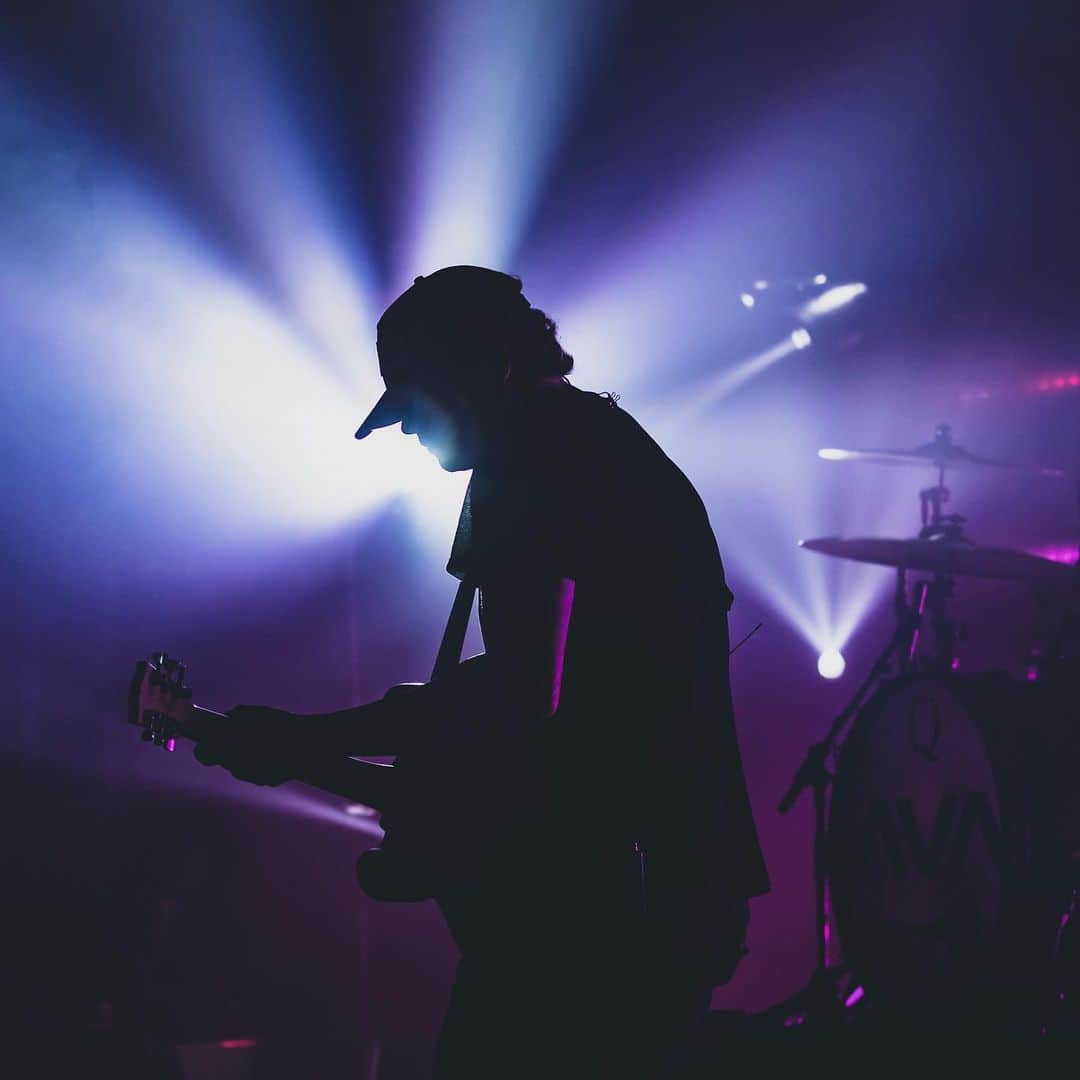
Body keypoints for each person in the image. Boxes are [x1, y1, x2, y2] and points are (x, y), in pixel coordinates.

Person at [195, 265, 770, 1078]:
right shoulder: (602, 445)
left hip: (598, 907)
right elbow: (550, 690)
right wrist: (327, 740)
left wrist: (308, 739)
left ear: (488, 366)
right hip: (664, 878)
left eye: (417, 400)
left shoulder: (529, 462)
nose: (407, 430)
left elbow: (523, 697)